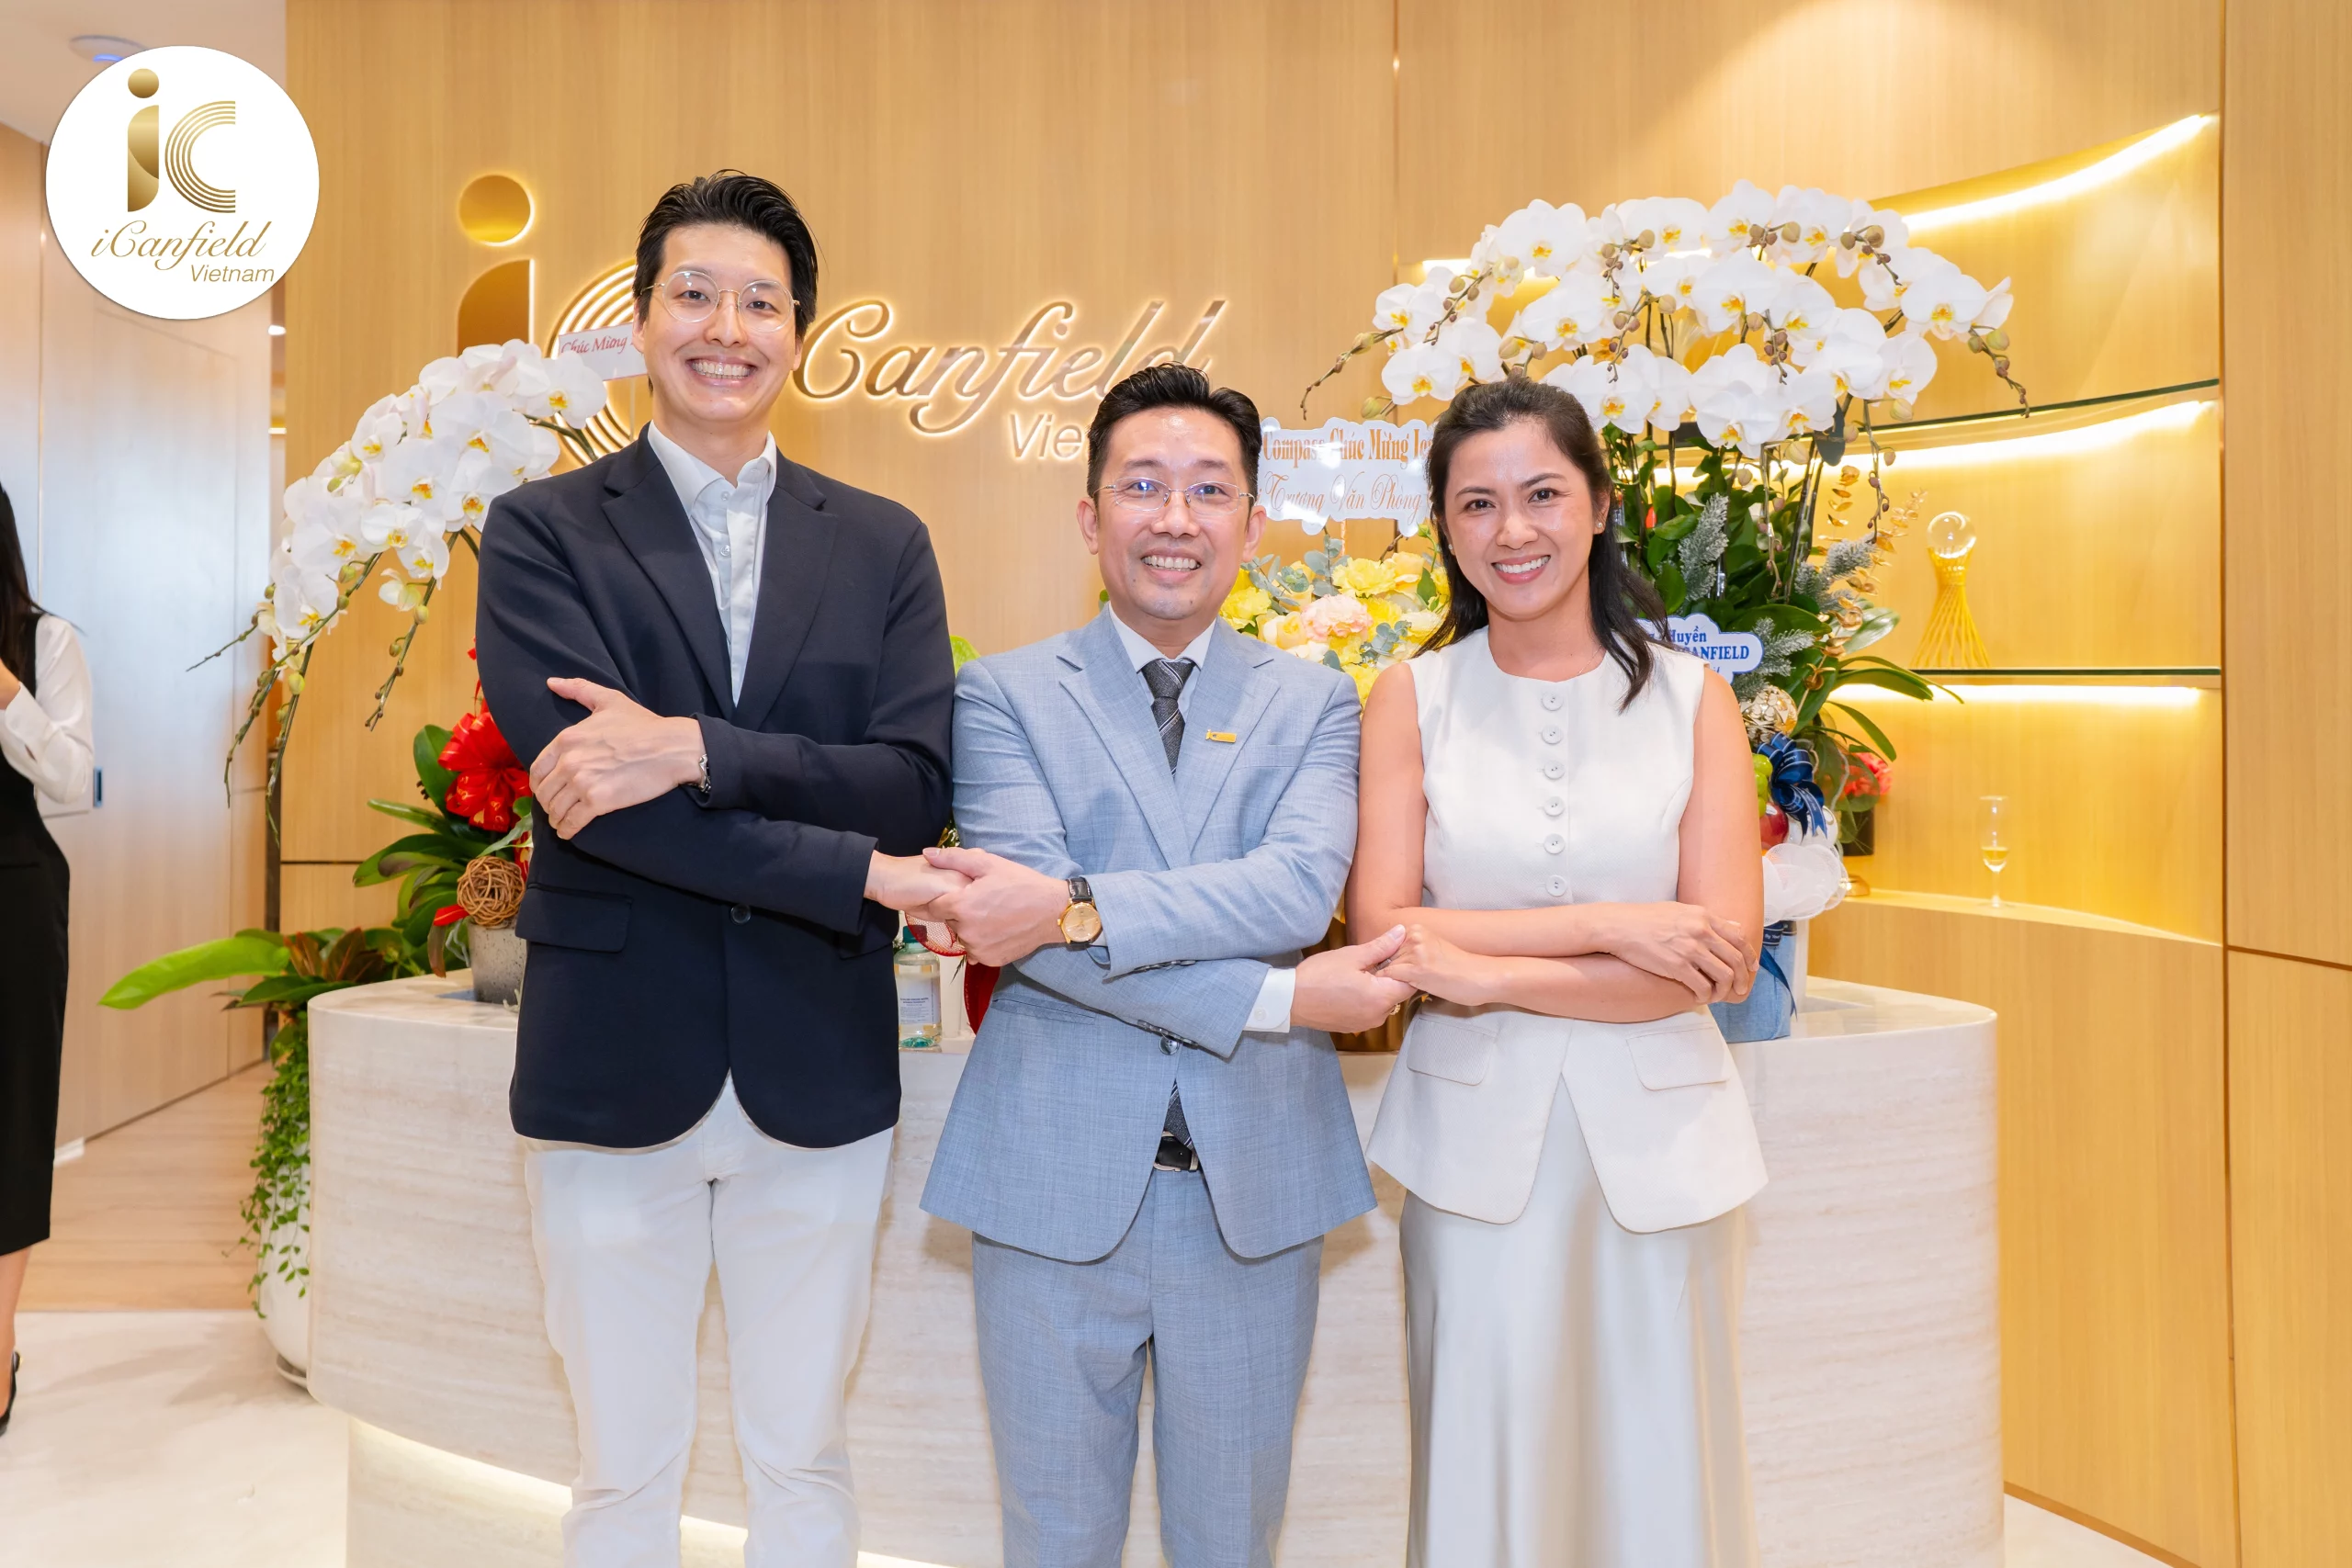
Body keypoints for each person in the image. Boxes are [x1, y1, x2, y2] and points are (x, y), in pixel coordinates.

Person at [475, 172, 962, 1568]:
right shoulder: (544, 530)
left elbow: (912, 786)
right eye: (694, 294)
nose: (726, 328)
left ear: (800, 332)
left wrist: (692, 746)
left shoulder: (882, 542)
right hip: (614, 1054)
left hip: (817, 1054)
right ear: (639, 319)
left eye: (761, 301)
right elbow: (594, 802)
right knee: (621, 1473)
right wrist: (859, 874)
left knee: (803, 1456)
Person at [915, 364, 1414, 1568]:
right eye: (1143, 486)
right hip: (1050, 1174)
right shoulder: (1001, 694)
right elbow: (1015, 935)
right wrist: (1277, 993)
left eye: (1208, 489)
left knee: (1232, 1539)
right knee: (1053, 1538)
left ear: (1253, 519)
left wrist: (1071, 906)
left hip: (1254, 1182)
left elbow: (1294, 891)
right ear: (1091, 518)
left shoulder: (1316, 702)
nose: (1175, 517)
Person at [1350, 377, 1768, 1568]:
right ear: (1443, 526)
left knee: (1659, 1467)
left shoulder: (1694, 699)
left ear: (1599, 505)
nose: (1512, 530)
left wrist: (1481, 968)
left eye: (1542, 494)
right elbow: (1388, 931)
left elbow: (1718, 959)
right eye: (1476, 504)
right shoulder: (1412, 697)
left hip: (1665, 1151)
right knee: (1487, 1464)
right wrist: (1616, 925)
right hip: (1471, 1150)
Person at [0, 480, 95, 1439]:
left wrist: (7, 693)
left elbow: (74, 779)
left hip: (12, 898)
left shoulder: (46, 641)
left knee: (11, 1119)